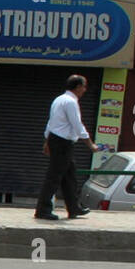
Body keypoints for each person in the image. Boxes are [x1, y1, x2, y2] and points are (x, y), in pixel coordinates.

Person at [35, 74, 100, 220]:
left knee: (69, 177)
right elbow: (77, 124)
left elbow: (51, 123)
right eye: (84, 86)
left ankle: (74, 207)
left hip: (58, 141)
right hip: (62, 143)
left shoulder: (59, 99)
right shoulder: (70, 102)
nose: (85, 89)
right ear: (77, 87)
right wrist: (90, 144)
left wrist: (47, 141)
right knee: (54, 177)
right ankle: (42, 210)